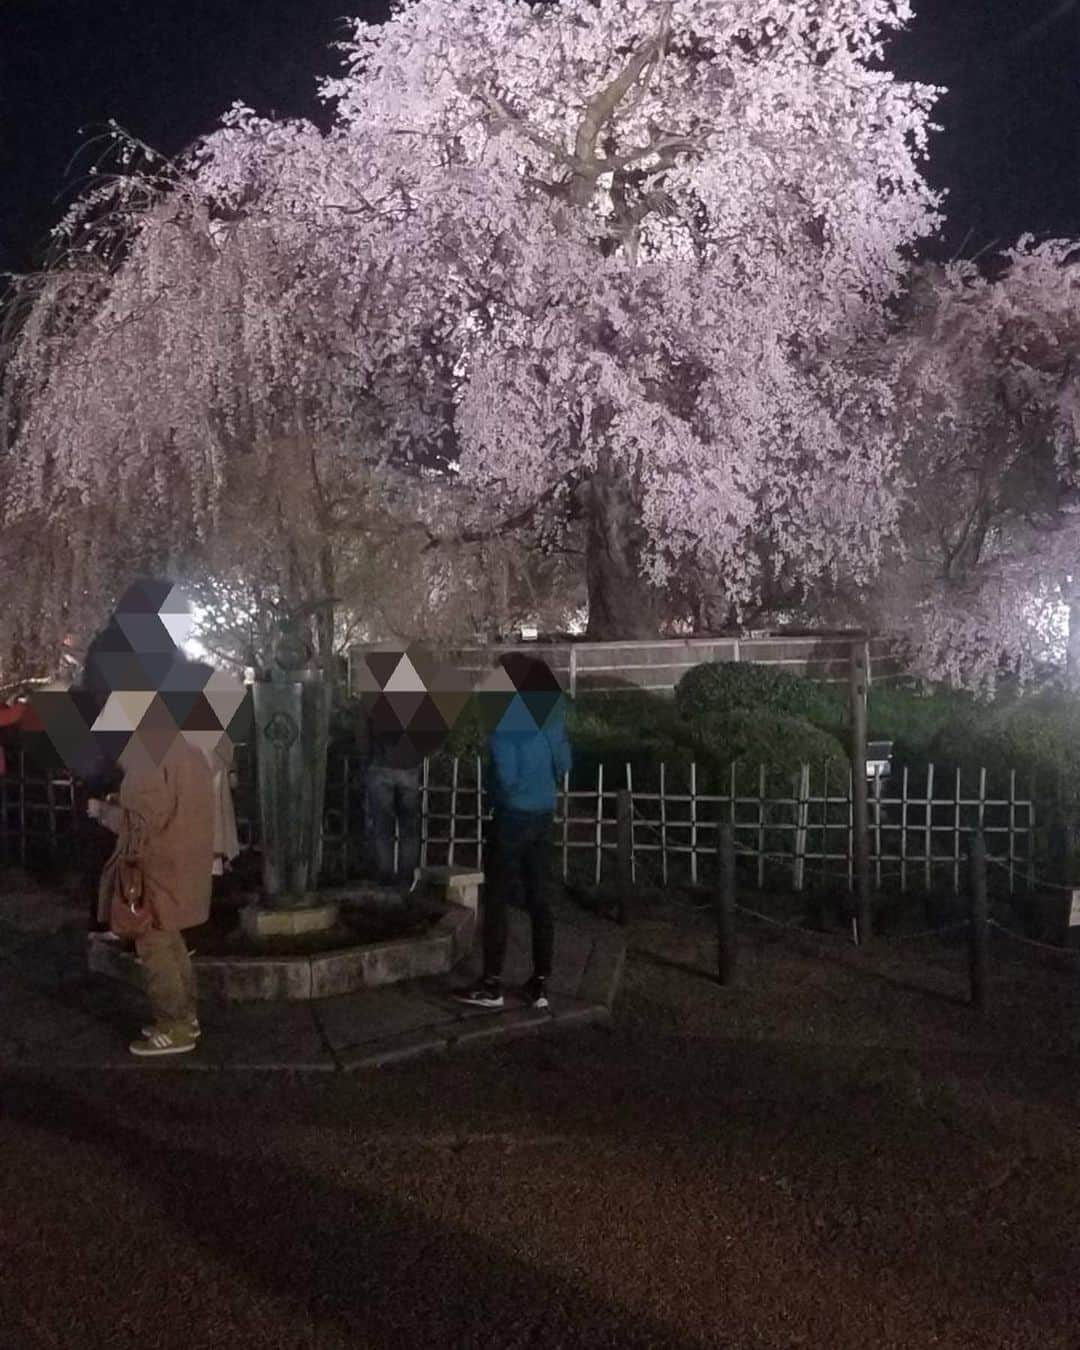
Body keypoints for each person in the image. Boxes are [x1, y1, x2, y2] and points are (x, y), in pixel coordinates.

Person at [453, 654, 572, 1011]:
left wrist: (508, 792)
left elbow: (503, 771)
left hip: (511, 816)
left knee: (498, 899)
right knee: (540, 899)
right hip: (544, 812)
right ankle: (541, 983)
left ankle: (492, 983)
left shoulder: (504, 716)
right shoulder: (551, 714)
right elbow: (564, 762)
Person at [90, 731, 215, 1057]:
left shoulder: (148, 753)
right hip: (184, 858)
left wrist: (105, 812)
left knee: (152, 941)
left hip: (158, 866)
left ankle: (173, 1025)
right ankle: (187, 1017)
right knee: (170, 937)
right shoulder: (186, 746)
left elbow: (141, 823)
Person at [357, 700, 422, 891]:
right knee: (409, 828)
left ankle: (384, 878)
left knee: (381, 827)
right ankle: (406, 879)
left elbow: (362, 733)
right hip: (408, 767)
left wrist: (366, 761)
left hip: (379, 766)